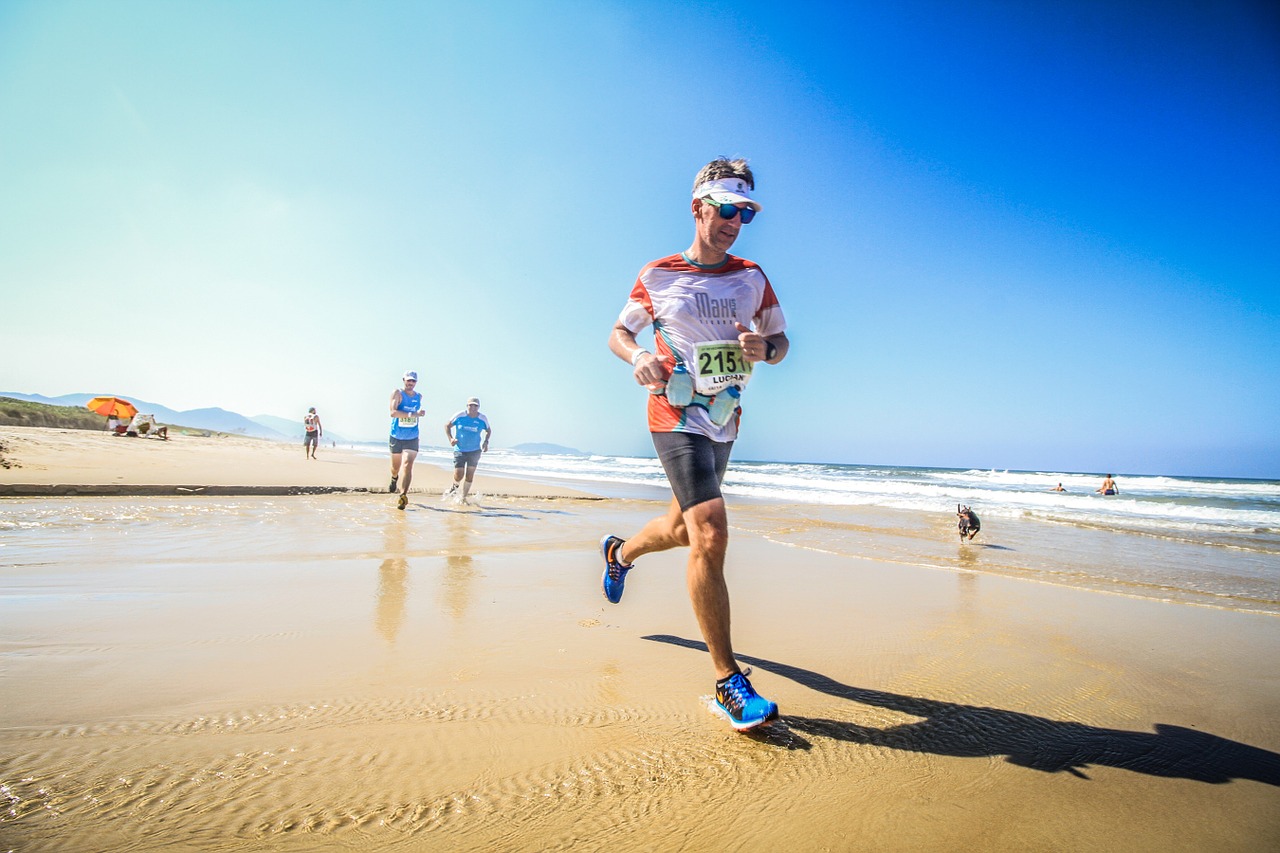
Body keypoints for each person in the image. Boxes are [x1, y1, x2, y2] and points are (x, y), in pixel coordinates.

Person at [600, 157, 789, 732]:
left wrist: (765, 349)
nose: (736, 220)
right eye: (727, 209)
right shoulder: (657, 274)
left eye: (746, 212)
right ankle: (729, 680)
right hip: (672, 414)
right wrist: (639, 358)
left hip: (725, 420)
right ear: (698, 207)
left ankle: (619, 553)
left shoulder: (753, 276)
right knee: (711, 529)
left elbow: (781, 342)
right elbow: (619, 333)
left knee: (683, 529)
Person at [444, 397, 491, 503]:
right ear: (467, 406)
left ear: (478, 407)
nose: (473, 408)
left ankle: (463, 497)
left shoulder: (482, 418)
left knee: (470, 474)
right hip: (460, 449)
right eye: (471, 405)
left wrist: (486, 442)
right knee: (459, 474)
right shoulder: (460, 415)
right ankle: (454, 486)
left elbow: (488, 430)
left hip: (474, 450)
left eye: (475, 406)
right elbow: (447, 425)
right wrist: (451, 438)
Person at [389, 371, 424, 511]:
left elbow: (417, 412)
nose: (410, 383)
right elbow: (393, 413)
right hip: (397, 435)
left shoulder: (419, 396)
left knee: (408, 465)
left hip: (412, 436)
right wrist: (412, 414)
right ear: (403, 380)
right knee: (395, 467)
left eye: (413, 381)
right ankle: (394, 478)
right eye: (408, 381)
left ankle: (403, 496)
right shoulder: (397, 393)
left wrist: (420, 414)